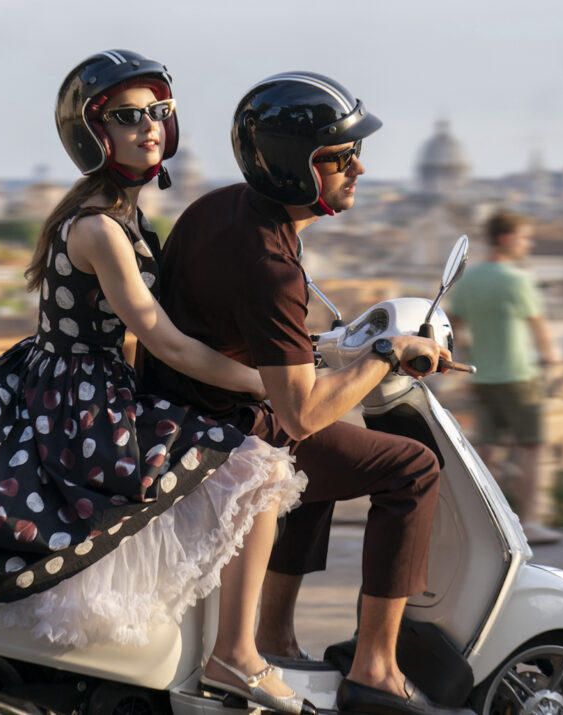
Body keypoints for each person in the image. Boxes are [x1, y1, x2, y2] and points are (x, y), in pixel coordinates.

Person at [0, 50, 313, 714]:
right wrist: (265, 383)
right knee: (257, 468)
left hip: (70, 385)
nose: (149, 127)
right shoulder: (99, 227)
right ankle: (237, 654)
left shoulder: (116, 216)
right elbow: (164, 339)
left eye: (159, 113)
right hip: (85, 401)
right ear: (96, 134)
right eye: (128, 117)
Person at [139, 73, 473, 715]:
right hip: (218, 430)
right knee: (410, 468)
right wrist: (384, 354)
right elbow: (300, 409)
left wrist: (324, 348)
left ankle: (275, 633)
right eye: (342, 158)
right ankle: (376, 667)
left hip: (179, 410)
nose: (360, 168)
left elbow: (242, 334)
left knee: (328, 455)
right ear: (300, 167)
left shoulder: (221, 208)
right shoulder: (270, 260)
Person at [447, 209, 563, 545]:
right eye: (525, 238)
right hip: (519, 375)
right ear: (507, 239)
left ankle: (488, 522)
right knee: (531, 448)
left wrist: (469, 354)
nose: (529, 244)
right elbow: (540, 330)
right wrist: (553, 359)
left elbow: (453, 327)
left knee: (487, 450)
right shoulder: (518, 281)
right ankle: (529, 522)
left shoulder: (467, 281)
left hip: (482, 377)